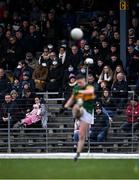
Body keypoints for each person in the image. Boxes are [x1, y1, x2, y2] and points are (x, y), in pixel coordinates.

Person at [64, 74, 95, 161]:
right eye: (78, 83)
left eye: (80, 82)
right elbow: (72, 98)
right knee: (77, 105)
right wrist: (65, 106)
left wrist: (80, 92)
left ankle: (78, 153)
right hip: (80, 110)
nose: (79, 84)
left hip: (88, 112)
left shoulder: (89, 87)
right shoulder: (76, 88)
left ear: (84, 80)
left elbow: (89, 92)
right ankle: (76, 115)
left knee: (81, 135)